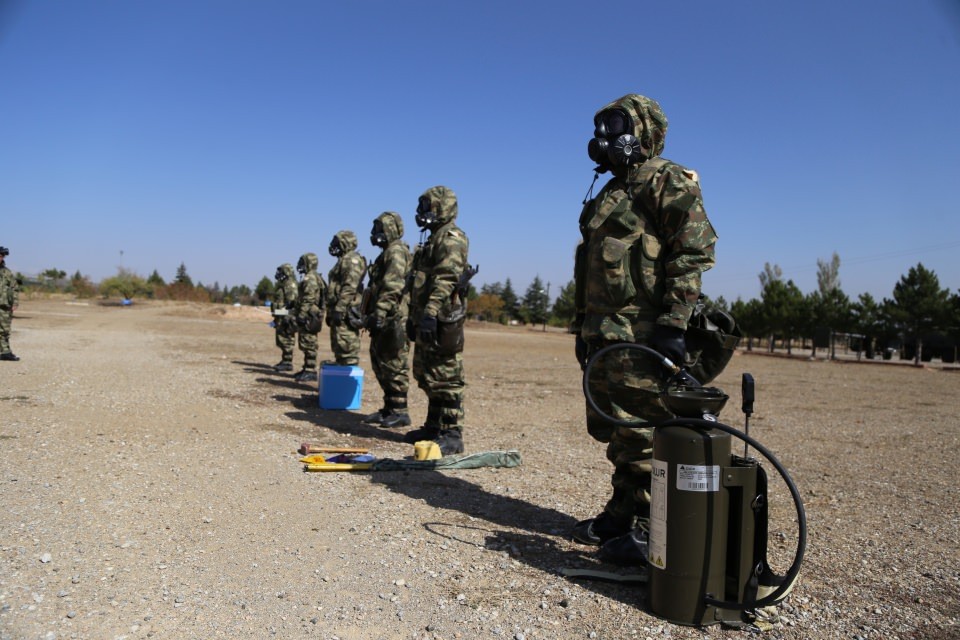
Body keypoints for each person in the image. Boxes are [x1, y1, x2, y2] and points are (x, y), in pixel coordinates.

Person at [571, 94, 718, 565]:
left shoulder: (665, 179)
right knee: (617, 429)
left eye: (617, 126)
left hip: (643, 332)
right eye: (603, 127)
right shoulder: (612, 190)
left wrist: (674, 324)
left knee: (643, 429)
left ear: (645, 130)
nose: (606, 137)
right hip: (606, 330)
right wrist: (583, 326)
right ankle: (622, 510)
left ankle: (647, 525)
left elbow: (692, 252)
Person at [402, 186, 471, 455]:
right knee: (426, 373)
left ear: (441, 208)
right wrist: (415, 317)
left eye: (427, 207)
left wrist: (430, 313)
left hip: (442, 319)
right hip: (426, 317)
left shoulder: (451, 238)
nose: (421, 213)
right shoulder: (433, 239)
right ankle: (433, 426)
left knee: (446, 376)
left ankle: (452, 433)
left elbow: (446, 278)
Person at [362, 212, 413, 428]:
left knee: (394, 363)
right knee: (381, 363)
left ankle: (401, 412)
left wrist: (380, 312)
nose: (375, 234)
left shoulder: (396, 251)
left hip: (394, 318)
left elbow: (393, 286)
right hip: (384, 316)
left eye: (380, 229)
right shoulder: (386, 253)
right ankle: (389, 408)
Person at [325, 230, 367, 366]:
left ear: (345, 243)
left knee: (347, 347)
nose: (333, 246)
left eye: (337, 242)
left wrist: (340, 308)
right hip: (339, 310)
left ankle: (346, 379)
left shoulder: (351, 259)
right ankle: (340, 372)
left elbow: (350, 286)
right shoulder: (343, 260)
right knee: (339, 346)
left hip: (346, 312)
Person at [292, 252, 326, 382]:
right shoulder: (315, 277)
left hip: (309, 315)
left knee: (309, 342)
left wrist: (301, 314)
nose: (300, 265)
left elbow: (308, 298)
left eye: (303, 262)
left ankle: (310, 370)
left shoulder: (310, 278)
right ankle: (307, 367)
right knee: (307, 342)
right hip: (312, 314)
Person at [271, 263, 299, 372]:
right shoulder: (285, 284)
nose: (279, 274)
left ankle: (287, 362)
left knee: (287, 340)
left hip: (286, 318)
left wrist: (280, 312)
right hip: (281, 317)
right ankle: (285, 360)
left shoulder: (290, 285)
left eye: (281, 272)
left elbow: (290, 304)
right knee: (282, 340)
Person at [0, 246, 20, 361]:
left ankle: (5, 352)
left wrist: (15, 303)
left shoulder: (7, 273)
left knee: (4, 330)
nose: (0, 258)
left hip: (4, 306)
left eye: (1, 256)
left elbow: (14, 288)